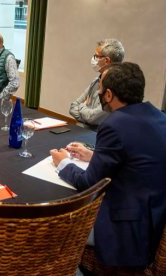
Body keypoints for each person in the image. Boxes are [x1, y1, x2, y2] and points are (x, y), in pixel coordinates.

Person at [50, 62, 166, 268]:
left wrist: (63, 163)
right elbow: (135, 160)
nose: (100, 94)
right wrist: (94, 156)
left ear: (109, 95)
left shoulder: (114, 124)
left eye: (101, 90)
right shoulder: (160, 117)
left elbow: (89, 184)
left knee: (54, 228)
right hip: (153, 217)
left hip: (124, 232)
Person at [69, 39, 125, 130]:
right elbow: (73, 107)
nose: (93, 59)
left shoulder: (117, 88)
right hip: (82, 130)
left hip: (97, 136)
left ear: (106, 60)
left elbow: (92, 118)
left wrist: (82, 106)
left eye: (96, 56)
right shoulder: (96, 81)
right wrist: (88, 118)